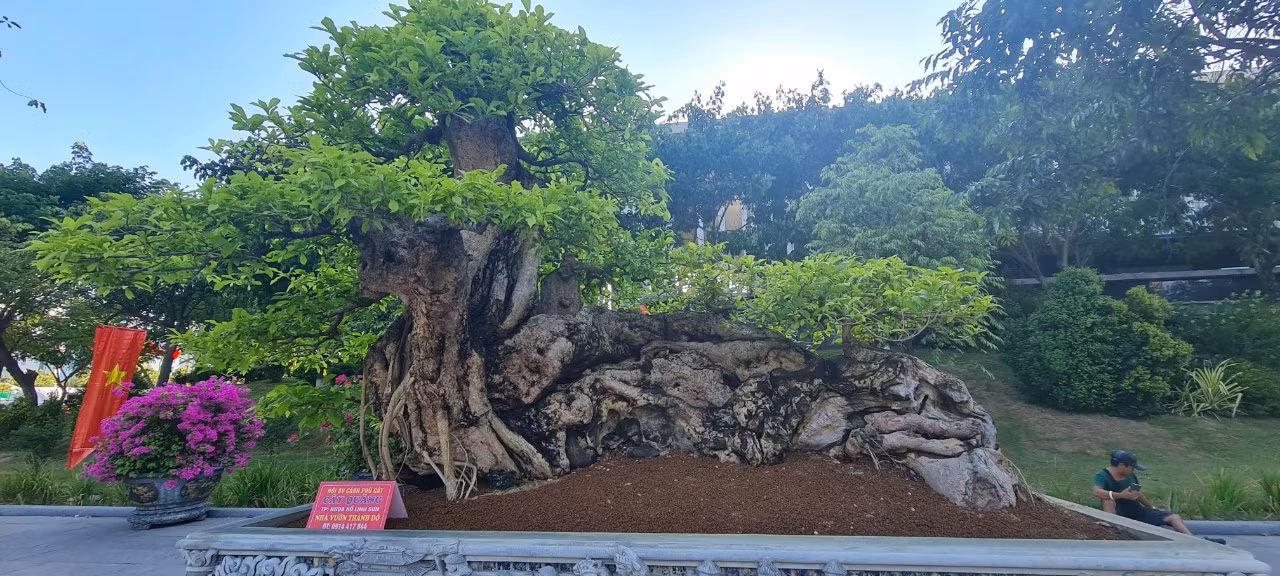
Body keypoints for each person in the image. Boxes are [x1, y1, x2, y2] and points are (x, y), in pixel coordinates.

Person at [1092, 450, 1224, 543]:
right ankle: (1112, 530)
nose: (1133, 470)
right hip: (1117, 512)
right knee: (1108, 499)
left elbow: (1138, 495)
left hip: (1136, 510)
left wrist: (1152, 507)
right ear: (1122, 465)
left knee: (1173, 517)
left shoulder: (1130, 476)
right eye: (1132, 467)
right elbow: (1096, 491)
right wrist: (1121, 495)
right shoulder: (1103, 475)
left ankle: (1193, 539)